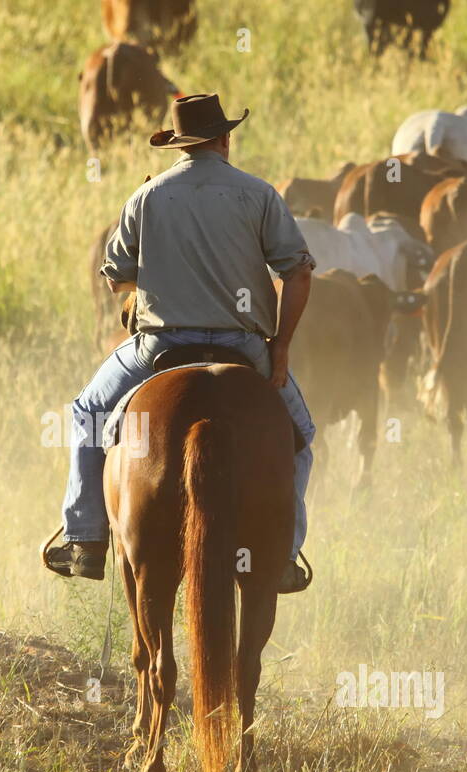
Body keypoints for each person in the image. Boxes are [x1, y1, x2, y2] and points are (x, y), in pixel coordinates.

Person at [44, 93, 316, 593]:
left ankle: (84, 538)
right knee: (300, 434)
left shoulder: (147, 197)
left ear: (178, 145)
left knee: (88, 412)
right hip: (246, 348)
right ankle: (285, 553)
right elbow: (298, 273)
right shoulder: (258, 194)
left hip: (160, 348)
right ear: (225, 138)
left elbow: (116, 280)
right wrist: (279, 350)